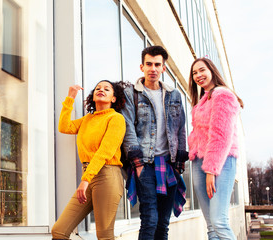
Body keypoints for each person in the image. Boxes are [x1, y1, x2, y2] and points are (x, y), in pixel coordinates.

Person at [121, 45, 187, 240]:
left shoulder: (174, 95)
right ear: (142, 67)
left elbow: (181, 128)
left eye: (157, 64)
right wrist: (138, 164)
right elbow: (128, 128)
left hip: (169, 165)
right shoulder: (131, 93)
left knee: (163, 224)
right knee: (150, 219)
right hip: (145, 164)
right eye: (149, 64)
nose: (153, 68)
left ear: (163, 68)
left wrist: (179, 162)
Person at [51, 80, 127, 240]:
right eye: (98, 88)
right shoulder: (87, 120)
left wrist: (85, 179)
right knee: (59, 231)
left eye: (107, 89)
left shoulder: (116, 118)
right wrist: (70, 98)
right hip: (89, 176)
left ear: (114, 99)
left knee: (104, 236)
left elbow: (105, 151)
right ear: (92, 97)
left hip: (107, 175)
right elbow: (64, 127)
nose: (101, 90)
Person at [188, 57, 244, 239]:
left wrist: (211, 169)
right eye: (194, 73)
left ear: (212, 70)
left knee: (219, 221)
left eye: (202, 70)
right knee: (211, 226)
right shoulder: (202, 101)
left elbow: (221, 134)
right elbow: (197, 134)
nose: (198, 75)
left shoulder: (222, 95)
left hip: (221, 161)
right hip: (199, 161)